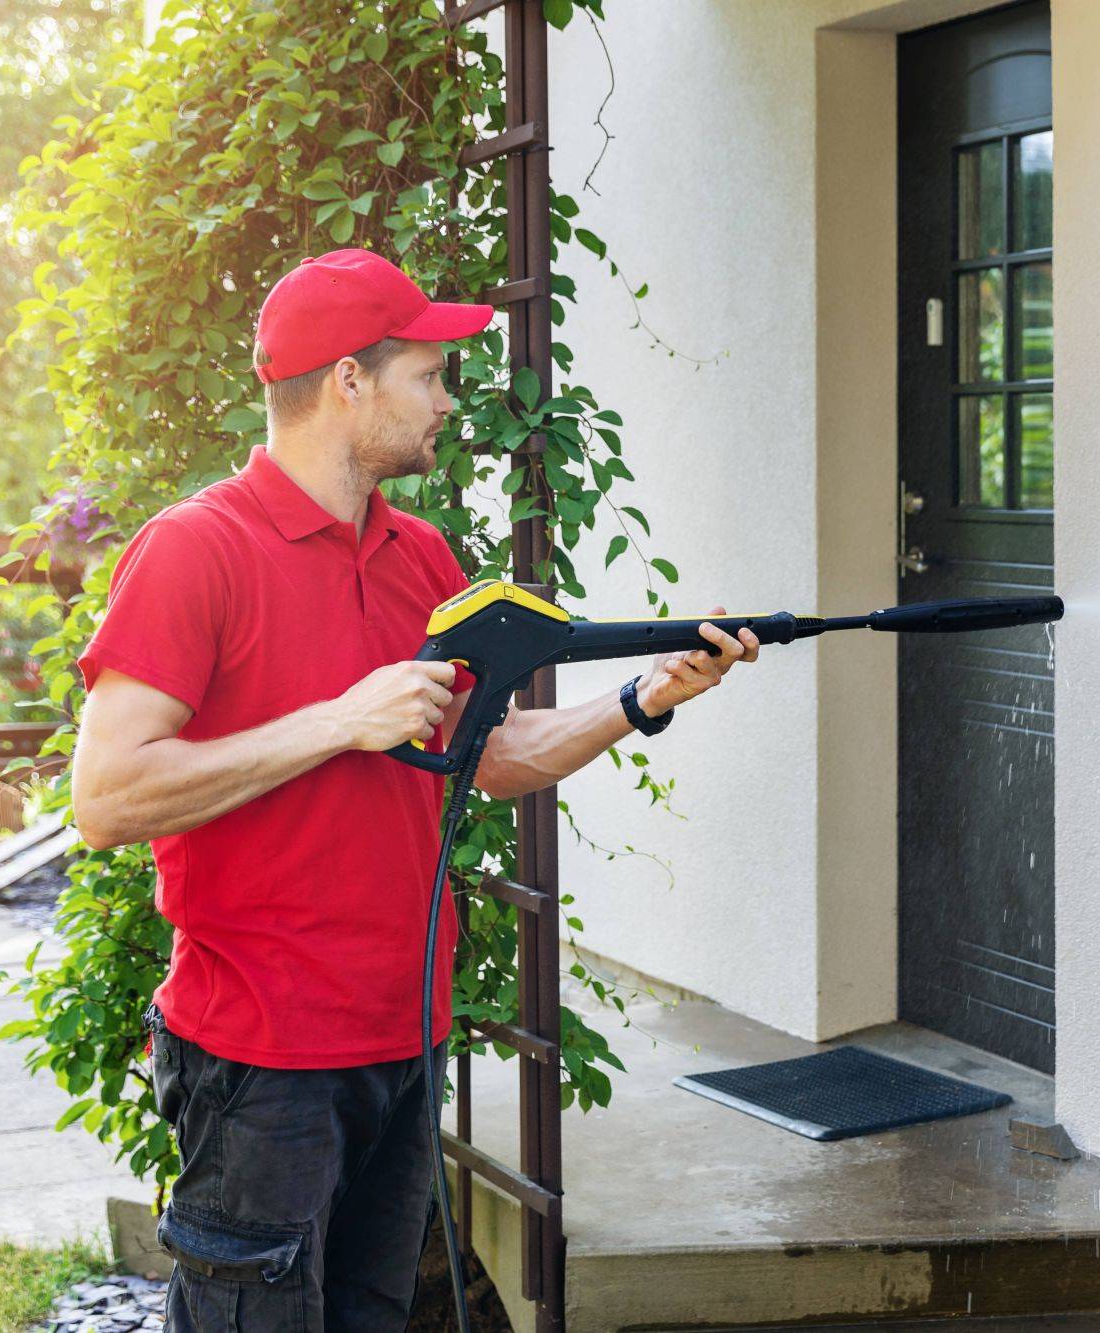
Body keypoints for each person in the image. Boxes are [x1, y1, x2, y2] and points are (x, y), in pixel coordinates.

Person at [69, 247, 761, 1330]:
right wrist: (337, 722)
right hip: (261, 1059)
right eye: (429, 375)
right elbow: (107, 796)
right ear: (349, 379)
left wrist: (642, 697)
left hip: (401, 1035)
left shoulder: (420, 556)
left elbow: (489, 751)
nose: (447, 400)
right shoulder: (194, 551)